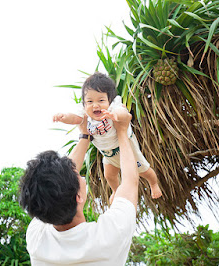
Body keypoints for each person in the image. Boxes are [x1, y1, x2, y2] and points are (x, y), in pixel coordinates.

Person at [19, 112, 139, 265]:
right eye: (77, 174)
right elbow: (129, 181)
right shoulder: (109, 234)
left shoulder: (37, 240)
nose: (81, 176)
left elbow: (51, 188)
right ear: (78, 197)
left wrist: (84, 136)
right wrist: (122, 131)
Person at [53, 72, 162, 203]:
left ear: (110, 100)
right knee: (109, 175)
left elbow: (123, 112)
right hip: (107, 153)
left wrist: (115, 115)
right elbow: (76, 119)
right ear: (84, 103)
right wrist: (64, 118)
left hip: (126, 148)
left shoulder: (113, 107)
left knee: (144, 171)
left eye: (101, 100)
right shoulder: (85, 112)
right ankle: (116, 190)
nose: (95, 105)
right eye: (90, 101)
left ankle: (153, 183)